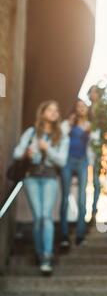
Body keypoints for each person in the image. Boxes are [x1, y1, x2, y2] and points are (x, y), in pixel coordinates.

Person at [13, 100, 69, 274]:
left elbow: (62, 160)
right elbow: (16, 153)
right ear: (42, 113)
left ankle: (47, 255)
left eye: (56, 110)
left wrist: (48, 149)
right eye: (50, 110)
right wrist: (26, 153)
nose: (54, 112)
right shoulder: (31, 132)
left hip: (50, 177)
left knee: (46, 216)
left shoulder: (61, 136)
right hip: (31, 177)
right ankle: (39, 252)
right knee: (38, 217)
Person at [60, 99, 93, 247]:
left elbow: (94, 144)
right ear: (75, 109)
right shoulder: (68, 124)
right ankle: (64, 235)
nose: (81, 109)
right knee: (65, 198)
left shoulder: (90, 126)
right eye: (79, 106)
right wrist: (69, 123)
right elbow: (59, 137)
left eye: (84, 107)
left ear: (87, 109)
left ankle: (80, 234)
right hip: (68, 160)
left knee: (82, 198)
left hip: (82, 161)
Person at [87, 85, 102, 222]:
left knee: (96, 182)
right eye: (91, 92)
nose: (93, 95)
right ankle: (84, 212)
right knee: (84, 180)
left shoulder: (103, 111)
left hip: (97, 148)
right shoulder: (85, 110)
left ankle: (93, 211)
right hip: (85, 147)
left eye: (95, 92)